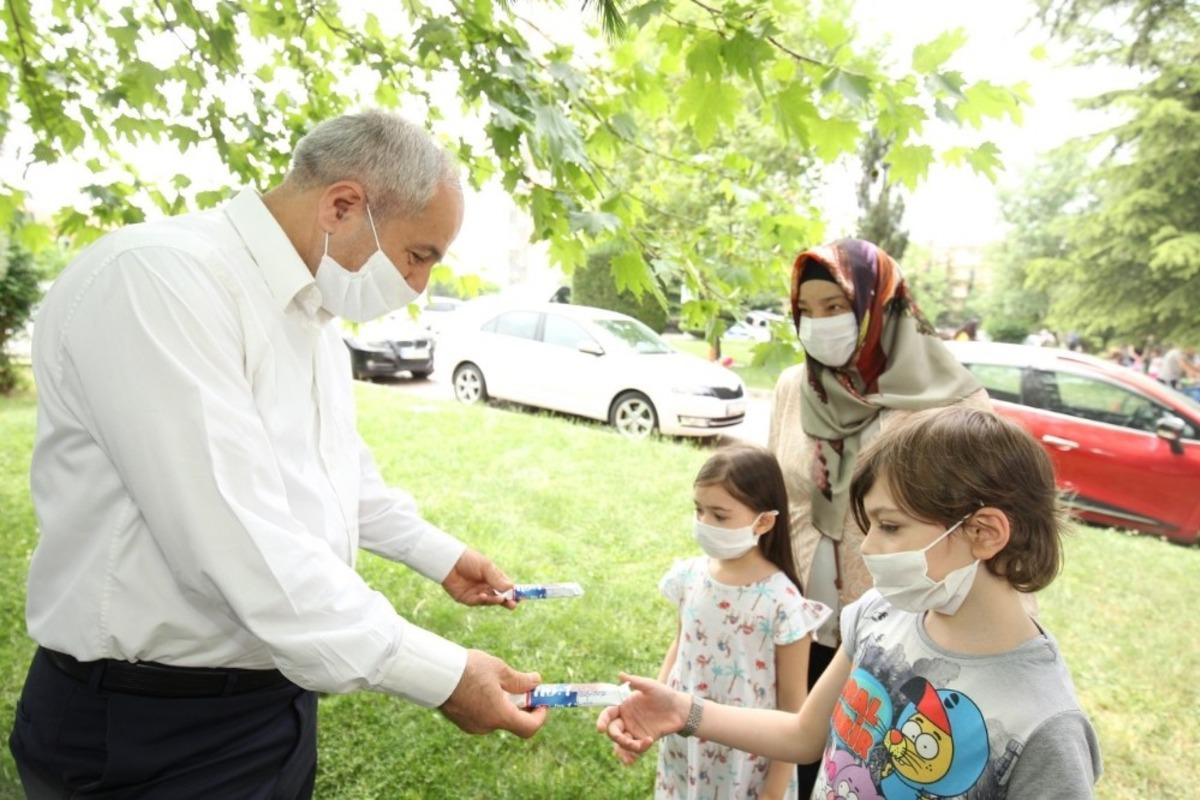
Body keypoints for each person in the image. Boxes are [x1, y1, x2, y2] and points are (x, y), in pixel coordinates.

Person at [10, 111, 548, 799]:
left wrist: (439, 556)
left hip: (270, 704)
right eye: (420, 256)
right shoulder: (159, 282)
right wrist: (441, 675)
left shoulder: (310, 312)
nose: (417, 287)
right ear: (343, 205)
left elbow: (335, 474)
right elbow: (232, 542)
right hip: (147, 726)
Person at [599, 406, 1103, 799]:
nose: (868, 548)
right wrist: (681, 709)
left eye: (890, 526)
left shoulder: (1047, 729)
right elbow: (803, 735)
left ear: (983, 531)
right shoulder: (878, 615)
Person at [767, 239, 991, 795]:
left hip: (900, 631)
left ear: (878, 308)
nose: (819, 325)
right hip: (800, 621)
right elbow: (776, 493)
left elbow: (988, 533)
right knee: (807, 756)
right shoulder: (796, 389)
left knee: (877, 765)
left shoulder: (949, 402)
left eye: (836, 308)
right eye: (808, 312)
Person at [612, 445, 831, 799]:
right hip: (684, 745)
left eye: (719, 515)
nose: (704, 524)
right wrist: (644, 712)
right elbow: (680, 644)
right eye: (699, 510)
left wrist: (774, 791)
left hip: (747, 762)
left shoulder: (783, 604)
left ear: (763, 521)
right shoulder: (689, 576)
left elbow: (794, 709)